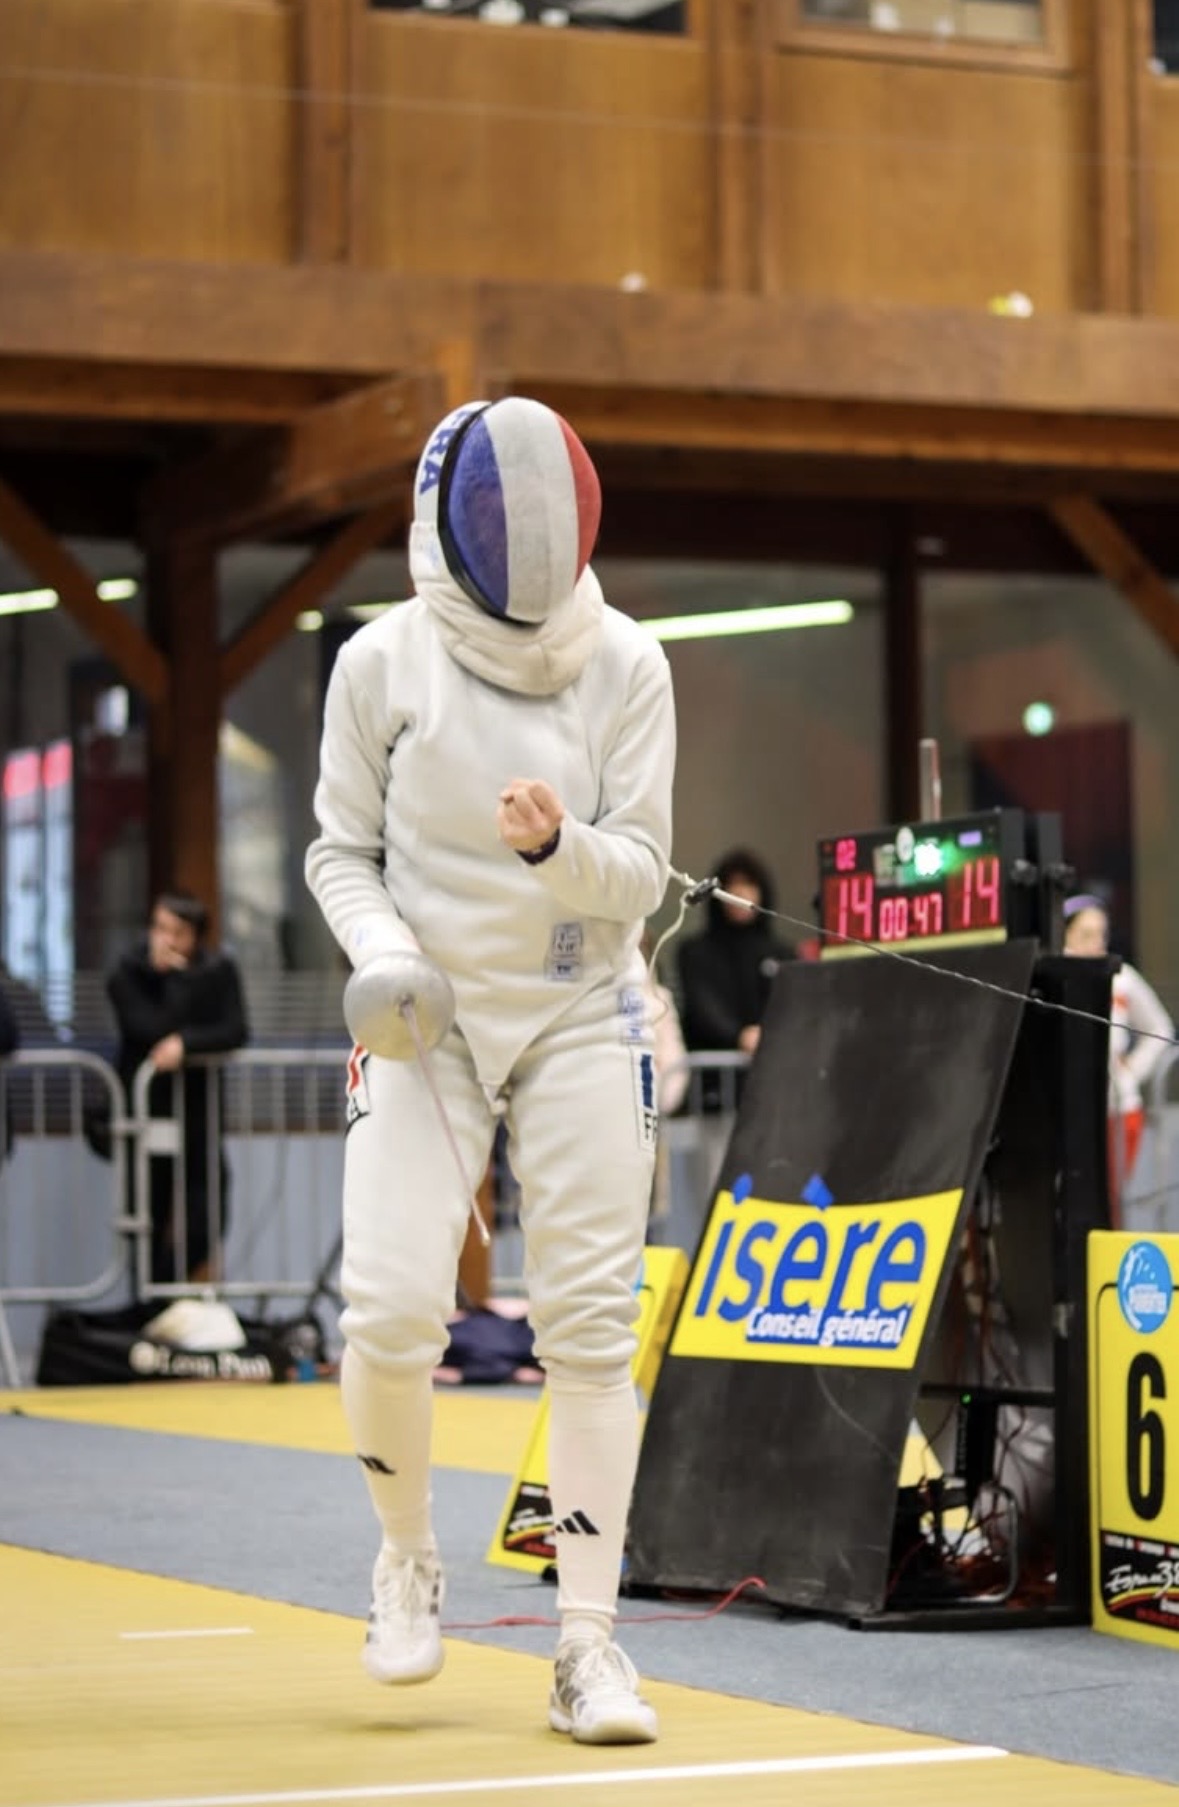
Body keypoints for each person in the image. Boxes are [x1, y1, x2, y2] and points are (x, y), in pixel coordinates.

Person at [306, 395, 675, 1744]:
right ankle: (405, 1556)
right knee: (390, 1309)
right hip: (422, 1013)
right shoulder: (379, 662)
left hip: (581, 1006)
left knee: (588, 1326)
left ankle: (588, 1645)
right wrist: (385, 950)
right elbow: (336, 849)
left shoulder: (627, 662)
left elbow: (638, 869)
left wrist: (557, 850)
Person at [107, 891, 248, 1284]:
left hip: (199, 1106)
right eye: (159, 928)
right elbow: (147, 1028)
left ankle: (171, 1285)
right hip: (147, 1107)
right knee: (146, 1208)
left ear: (195, 937)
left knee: (208, 1209)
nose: (165, 940)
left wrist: (185, 1044)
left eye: (177, 932)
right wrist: (172, 980)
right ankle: (150, 1298)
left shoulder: (217, 970)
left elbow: (235, 1029)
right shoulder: (129, 972)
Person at [1063, 893, 1175, 1225]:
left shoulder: (1121, 977)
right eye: (1085, 934)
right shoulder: (1056, 975)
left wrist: (1131, 1071)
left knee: (1116, 1202)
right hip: (1072, 1109)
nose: (1095, 942)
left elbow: (1160, 1029)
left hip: (1117, 1107)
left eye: (1101, 933)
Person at [676, 846, 794, 1107]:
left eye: (749, 884)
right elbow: (702, 1006)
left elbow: (792, 1006)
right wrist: (740, 1036)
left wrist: (770, 1035)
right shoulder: (696, 952)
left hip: (774, 1086)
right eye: (732, 885)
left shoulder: (782, 953)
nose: (740, 892)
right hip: (713, 1092)